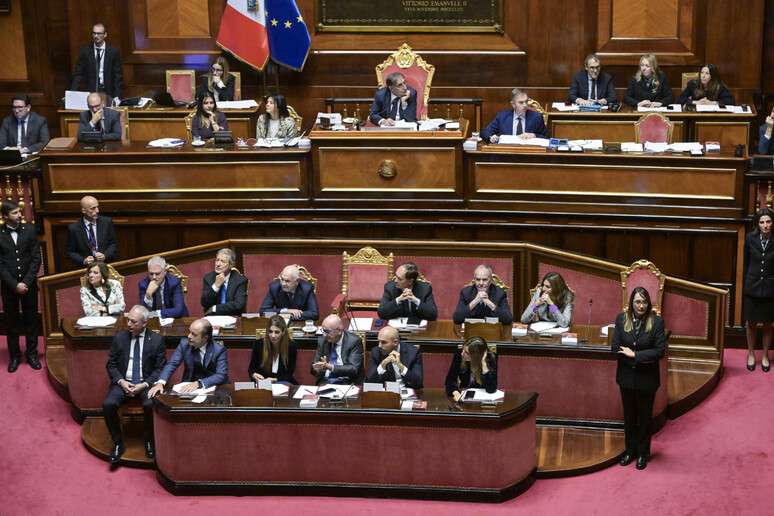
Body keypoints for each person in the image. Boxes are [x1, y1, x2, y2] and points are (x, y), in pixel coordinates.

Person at [102, 305, 166, 465]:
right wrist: (121, 381)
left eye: (133, 322)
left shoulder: (156, 340)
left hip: (145, 383)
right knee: (108, 404)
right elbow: (111, 364)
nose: (129, 324)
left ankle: (149, 439)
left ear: (144, 323)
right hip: (123, 382)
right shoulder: (120, 337)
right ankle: (118, 442)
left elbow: (160, 369)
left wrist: (144, 384)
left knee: (150, 404)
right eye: (128, 320)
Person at [612, 287, 666, 471]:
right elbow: (615, 348)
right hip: (626, 378)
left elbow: (659, 351)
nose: (641, 306)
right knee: (629, 417)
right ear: (631, 303)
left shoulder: (656, 322)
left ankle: (643, 453)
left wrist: (634, 355)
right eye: (637, 302)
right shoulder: (621, 319)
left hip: (647, 379)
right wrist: (636, 357)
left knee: (644, 418)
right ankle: (630, 451)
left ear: (648, 303)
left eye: (644, 302)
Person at [0, 200, 41, 372]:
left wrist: (26, 281)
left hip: (28, 285)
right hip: (9, 287)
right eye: (15, 213)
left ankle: (32, 354)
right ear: (5, 216)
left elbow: (36, 258)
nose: (19, 215)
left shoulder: (30, 230)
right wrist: (14, 284)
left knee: (31, 320)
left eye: (19, 211)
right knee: (12, 323)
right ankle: (15, 356)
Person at [148, 318, 229, 397]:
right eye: (190, 332)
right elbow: (172, 364)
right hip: (190, 384)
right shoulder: (184, 344)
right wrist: (161, 382)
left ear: (205, 338)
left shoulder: (219, 350)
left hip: (213, 386)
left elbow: (221, 375)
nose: (189, 336)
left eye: (194, 334)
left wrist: (200, 383)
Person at [743, 208, 774, 372]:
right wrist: (747, 283)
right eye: (762, 222)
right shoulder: (750, 238)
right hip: (752, 287)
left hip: (770, 288)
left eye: (768, 221)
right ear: (758, 224)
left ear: (772, 223)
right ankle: (751, 354)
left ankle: (765, 355)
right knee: (751, 323)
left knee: (768, 324)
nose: (765, 225)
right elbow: (746, 262)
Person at [70, 22, 123, 102]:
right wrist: (72, 93)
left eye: (99, 33)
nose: (96, 36)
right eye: (94, 33)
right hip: (91, 92)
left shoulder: (113, 52)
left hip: (108, 92)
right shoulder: (85, 51)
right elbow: (78, 74)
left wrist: (117, 96)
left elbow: (117, 76)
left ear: (105, 34)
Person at [480, 87, 548, 142]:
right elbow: (485, 132)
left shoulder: (536, 117)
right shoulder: (502, 117)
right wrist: (491, 137)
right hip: (507, 152)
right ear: (513, 104)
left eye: (526, 101)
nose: (525, 105)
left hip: (529, 151)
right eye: (521, 102)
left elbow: (547, 137)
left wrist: (534, 135)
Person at [66, 195, 118, 267]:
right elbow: (71, 252)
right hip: (86, 268)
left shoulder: (107, 222)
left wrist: (105, 256)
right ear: (83, 210)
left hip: (105, 265)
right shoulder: (74, 228)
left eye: (97, 207)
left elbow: (113, 244)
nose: (97, 211)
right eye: (93, 208)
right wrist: (83, 260)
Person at [310, 314, 363, 384]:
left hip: (347, 382)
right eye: (323, 330)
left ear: (339, 331)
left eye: (327, 331)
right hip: (325, 382)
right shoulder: (322, 341)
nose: (324, 335)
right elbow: (314, 367)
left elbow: (353, 369)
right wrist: (316, 368)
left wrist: (330, 367)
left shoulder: (353, 341)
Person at [248, 315, 298, 384]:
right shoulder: (259, 344)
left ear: (283, 332)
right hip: (263, 382)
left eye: (277, 332)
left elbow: (289, 374)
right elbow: (251, 368)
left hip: (282, 382)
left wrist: (274, 380)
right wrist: (254, 374)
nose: (273, 335)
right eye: (270, 331)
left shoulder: (291, 346)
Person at [445, 336, 497, 402]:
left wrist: (484, 365)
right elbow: (450, 380)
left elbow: (491, 389)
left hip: (482, 400)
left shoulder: (490, 358)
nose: (462, 353)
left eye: (466, 353)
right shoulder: (459, 355)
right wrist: (455, 392)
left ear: (476, 355)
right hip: (464, 398)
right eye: (463, 349)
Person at [200, 248, 247, 315]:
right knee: (198, 322)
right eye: (217, 260)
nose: (218, 264)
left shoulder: (240, 280)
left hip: (233, 317)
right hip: (212, 317)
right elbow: (204, 303)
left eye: (223, 261)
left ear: (231, 265)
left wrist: (215, 308)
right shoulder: (208, 278)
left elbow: (238, 304)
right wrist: (216, 286)